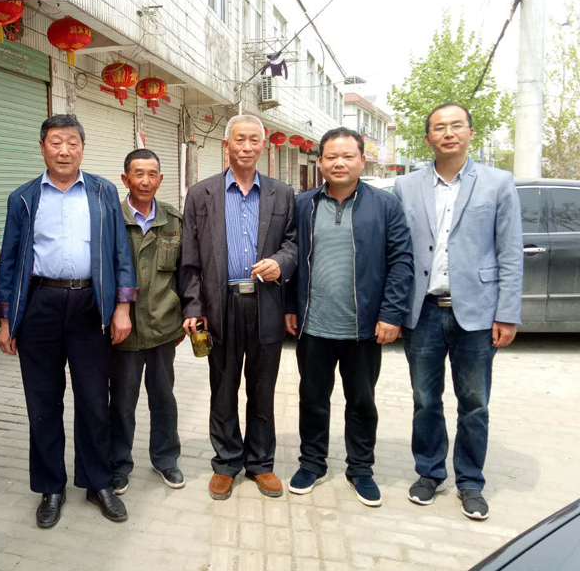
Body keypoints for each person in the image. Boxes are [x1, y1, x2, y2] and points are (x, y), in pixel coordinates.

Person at [0, 114, 138, 528]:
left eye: (72, 143)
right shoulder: (23, 198)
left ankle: (98, 482)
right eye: (56, 143)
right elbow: (9, 262)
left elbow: (120, 252)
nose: (64, 151)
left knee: (94, 400)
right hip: (40, 305)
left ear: (82, 148)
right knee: (43, 402)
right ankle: (50, 488)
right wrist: (5, 320)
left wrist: (122, 307)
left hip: (91, 305)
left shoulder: (103, 191)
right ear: (42, 148)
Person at [394, 103, 523, 521]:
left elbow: (510, 252)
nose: (448, 133)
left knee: (475, 403)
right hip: (423, 312)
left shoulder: (498, 183)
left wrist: (507, 313)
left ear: (470, 133)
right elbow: (398, 252)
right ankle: (429, 473)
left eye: (456, 126)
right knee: (425, 399)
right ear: (427, 138)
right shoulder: (406, 186)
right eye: (439, 128)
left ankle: (470, 481)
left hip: (478, 314)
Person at [284, 127, 413, 507]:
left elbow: (401, 261)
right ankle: (312, 463)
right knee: (312, 399)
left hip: (364, 327)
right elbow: (291, 257)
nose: (339, 163)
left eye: (347, 156)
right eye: (331, 156)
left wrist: (391, 313)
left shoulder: (385, 206)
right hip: (314, 325)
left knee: (361, 401)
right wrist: (290, 306)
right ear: (321, 161)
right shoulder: (303, 204)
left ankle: (360, 469)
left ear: (362, 160)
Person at [180, 114, 297, 501]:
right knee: (223, 387)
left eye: (253, 140)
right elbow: (190, 257)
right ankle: (227, 462)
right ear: (226, 145)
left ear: (263, 145)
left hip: (266, 303)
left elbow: (294, 243)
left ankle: (261, 463)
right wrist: (193, 306)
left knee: (263, 389)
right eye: (239, 139)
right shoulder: (201, 194)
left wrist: (281, 261)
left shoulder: (282, 194)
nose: (246, 147)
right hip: (220, 305)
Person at [110, 149, 185, 495]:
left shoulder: (173, 220)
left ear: (160, 179)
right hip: (123, 330)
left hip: (163, 326)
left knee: (164, 397)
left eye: (152, 174)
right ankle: (118, 464)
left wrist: (186, 316)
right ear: (125, 179)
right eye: (138, 174)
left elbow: (186, 272)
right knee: (121, 402)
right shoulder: (112, 217)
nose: (145, 181)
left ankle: (166, 458)